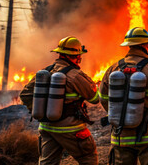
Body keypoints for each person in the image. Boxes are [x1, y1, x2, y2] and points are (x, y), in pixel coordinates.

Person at [99, 27, 148, 165]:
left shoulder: (113, 68)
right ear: (146, 45)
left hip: (120, 136)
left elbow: (103, 98)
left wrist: (118, 113)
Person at [20, 36, 99, 165]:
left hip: (46, 127)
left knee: (47, 162)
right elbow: (94, 98)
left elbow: (25, 94)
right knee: (88, 158)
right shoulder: (74, 75)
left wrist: (40, 109)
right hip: (71, 129)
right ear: (77, 56)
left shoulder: (46, 71)